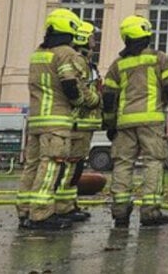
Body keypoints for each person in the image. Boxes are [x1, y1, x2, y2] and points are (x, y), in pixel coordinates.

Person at [16, 8, 100, 230]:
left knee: (32, 166)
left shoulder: (38, 53)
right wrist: (91, 100)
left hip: (36, 119)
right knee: (52, 165)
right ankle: (41, 214)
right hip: (57, 120)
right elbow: (71, 86)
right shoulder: (66, 54)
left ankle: (25, 210)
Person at [102, 15, 168, 227]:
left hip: (124, 123)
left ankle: (120, 212)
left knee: (122, 164)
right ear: (147, 35)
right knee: (154, 162)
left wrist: (110, 123)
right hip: (152, 121)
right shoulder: (159, 59)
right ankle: (150, 211)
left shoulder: (117, 65)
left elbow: (109, 97)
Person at [63, 21, 102, 222]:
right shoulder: (78, 60)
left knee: (76, 165)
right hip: (77, 122)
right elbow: (80, 86)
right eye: (92, 37)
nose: (95, 41)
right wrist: (94, 100)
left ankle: (69, 204)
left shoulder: (85, 61)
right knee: (71, 166)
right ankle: (64, 206)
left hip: (84, 124)